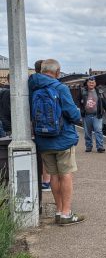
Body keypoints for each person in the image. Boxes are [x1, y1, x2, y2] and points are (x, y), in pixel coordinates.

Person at [28, 59, 85, 225]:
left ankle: (59, 211)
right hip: (62, 138)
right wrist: (77, 113)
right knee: (65, 174)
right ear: (57, 72)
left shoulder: (32, 88)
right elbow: (73, 115)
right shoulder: (60, 88)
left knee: (53, 176)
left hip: (43, 140)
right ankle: (66, 213)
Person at [31, 60, 52, 191]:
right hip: (47, 124)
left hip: (34, 123)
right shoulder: (51, 85)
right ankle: (46, 181)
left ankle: (41, 180)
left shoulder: (30, 83)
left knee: (40, 154)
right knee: (48, 156)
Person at [79, 76, 106, 152]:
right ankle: (88, 146)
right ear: (87, 83)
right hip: (86, 115)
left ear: (95, 83)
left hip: (97, 115)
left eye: (92, 83)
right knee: (87, 132)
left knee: (98, 130)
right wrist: (81, 106)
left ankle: (100, 146)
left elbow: (104, 103)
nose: (91, 84)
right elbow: (78, 101)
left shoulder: (100, 92)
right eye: (90, 83)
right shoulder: (83, 91)